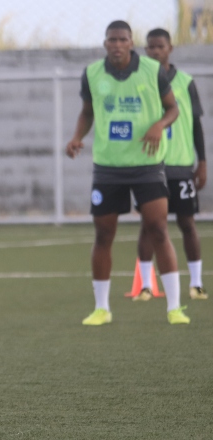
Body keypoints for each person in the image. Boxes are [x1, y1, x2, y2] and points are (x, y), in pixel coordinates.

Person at [65, 20, 190, 325]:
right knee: (104, 234)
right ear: (105, 43)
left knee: (158, 229)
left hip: (147, 165)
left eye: (122, 39)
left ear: (131, 42)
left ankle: (174, 307)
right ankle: (101, 308)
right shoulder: (92, 73)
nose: (117, 44)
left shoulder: (152, 70)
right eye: (112, 40)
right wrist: (77, 136)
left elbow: (172, 109)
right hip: (108, 167)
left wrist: (159, 125)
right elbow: (87, 111)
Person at [133, 28, 207, 301]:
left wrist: (202, 162)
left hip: (179, 166)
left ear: (170, 48)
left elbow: (196, 126)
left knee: (187, 224)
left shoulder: (186, 82)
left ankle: (197, 283)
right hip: (151, 167)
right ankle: (145, 285)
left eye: (159, 46)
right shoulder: (140, 82)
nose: (154, 51)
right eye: (150, 47)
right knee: (148, 225)